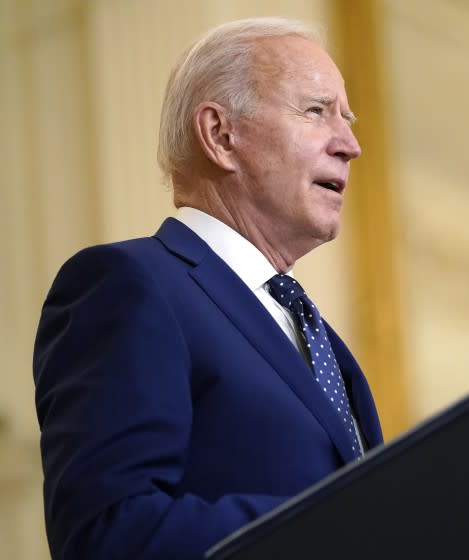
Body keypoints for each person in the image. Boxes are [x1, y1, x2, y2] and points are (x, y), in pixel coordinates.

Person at [32, 17, 383, 560]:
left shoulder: (313, 332)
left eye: (347, 117)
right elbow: (105, 534)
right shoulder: (132, 286)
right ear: (221, 136)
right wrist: (335, 524)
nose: (351, 145)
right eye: (317, 111)